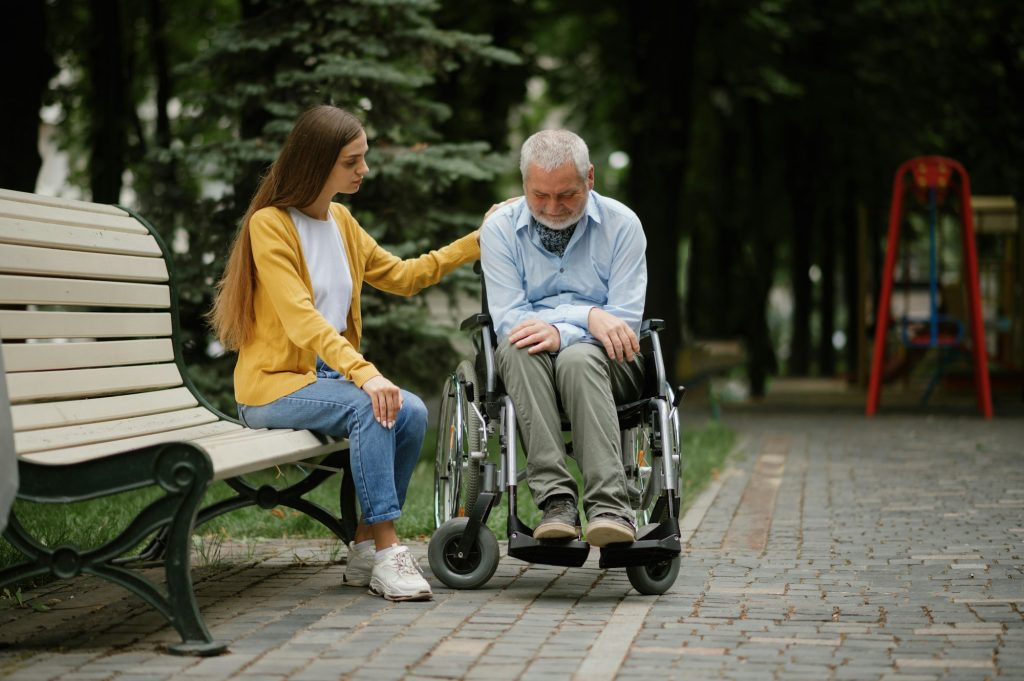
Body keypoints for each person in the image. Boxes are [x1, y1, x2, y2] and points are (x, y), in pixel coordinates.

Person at [209, 105, 480, 601]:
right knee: (371, 405)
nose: (364, 170)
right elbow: (300, 318)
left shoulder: (341, 221)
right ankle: (387, 550)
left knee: (412, 410)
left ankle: (361, 546)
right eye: (352, 162)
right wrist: (364, 373)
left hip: (323, 381)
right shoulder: (270, 225)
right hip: (272, 386)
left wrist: (476, 242)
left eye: (364, 159)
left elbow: (402, 275)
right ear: (317, 163)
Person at [479, 129, 647, 548]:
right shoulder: (499, 230)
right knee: (516, 347)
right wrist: (589, 317)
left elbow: (622, 322)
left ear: (590, 177)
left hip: (610, 363)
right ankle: (556, 502)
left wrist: (566, 328)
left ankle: (609, 508)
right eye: (540, 196)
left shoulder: (623, 226)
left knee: (578, 359)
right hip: (530, 362)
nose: (553, 208)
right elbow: (509, 320)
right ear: (524, 186)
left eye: (567, 194)